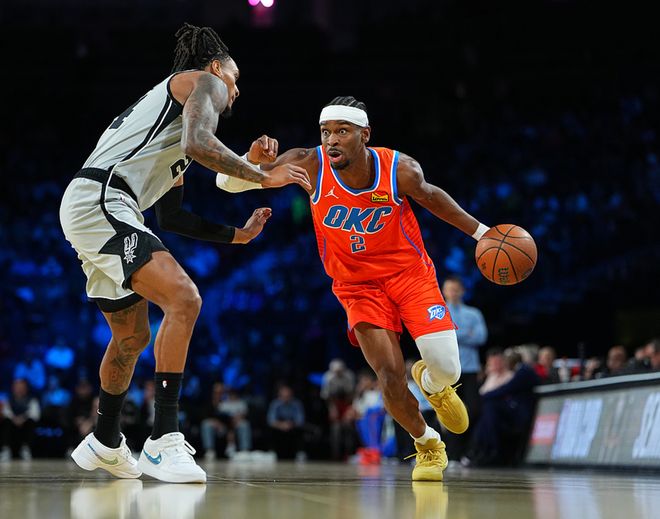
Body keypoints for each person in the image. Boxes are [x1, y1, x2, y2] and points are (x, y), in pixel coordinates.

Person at [59, 22, 311, 483]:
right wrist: (262, 176)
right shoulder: (203, 82)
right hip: (104, 199)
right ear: (216, 67)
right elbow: (201, 143)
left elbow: (172, 217)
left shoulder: (172, 130)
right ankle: (163, 440)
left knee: (132, 337)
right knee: (184, 299)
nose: (236, 90)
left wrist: (238, 235)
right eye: (235, 78)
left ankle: (105, 441)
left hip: (99, 205)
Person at [218, 96, 492, 480]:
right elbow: (227, 183)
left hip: (410, 276)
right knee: (389, 375)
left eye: (342, 131)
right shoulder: (309, 164)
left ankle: (433, 383)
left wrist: (482, 233)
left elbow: (433, 199)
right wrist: (248, 159)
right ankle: (428, 443)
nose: (331, 140)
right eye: (325, 132)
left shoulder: (399, 168)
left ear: (365, 135)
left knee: (448, 368)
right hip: (357, 286)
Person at [439, 274, 488, 462]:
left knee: (473, 410)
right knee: (451, 412)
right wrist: (467, 333)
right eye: (449, 289)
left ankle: (468, 451)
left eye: (456, 289)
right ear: (444, 291)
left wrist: (453, 332)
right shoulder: (439, 311)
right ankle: (453, 455)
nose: (453, 292)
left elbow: (481, 337)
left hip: (470, 369)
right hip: (448, 369)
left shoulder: (473, 313)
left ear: (462, 291)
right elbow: (440, 335)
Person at [266, 384, 306, 460]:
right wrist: (281, 425)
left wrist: (290, 424)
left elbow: (300, 420)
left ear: (292, 396)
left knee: (300, 430)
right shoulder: (275, 404)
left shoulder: (297, 404)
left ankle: (300, 452)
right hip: (278, 428)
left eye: (288, 396)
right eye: (283, 396)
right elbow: (270, 420)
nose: (286, 398)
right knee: (270, 430)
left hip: (292, 427)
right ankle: (272, 451)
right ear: (279, 396)